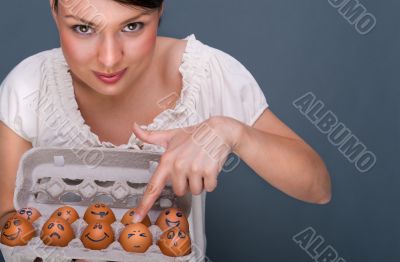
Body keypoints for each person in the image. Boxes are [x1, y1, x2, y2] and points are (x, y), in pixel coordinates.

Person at [0, 0, 331, 260]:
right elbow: (9, 216)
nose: (110, 58)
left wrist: (231, 132)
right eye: (83, 28)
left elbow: (317, 187)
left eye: (132, 26)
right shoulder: (30, 86)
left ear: (160, 11)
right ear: (54, 11)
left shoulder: (205, 75)